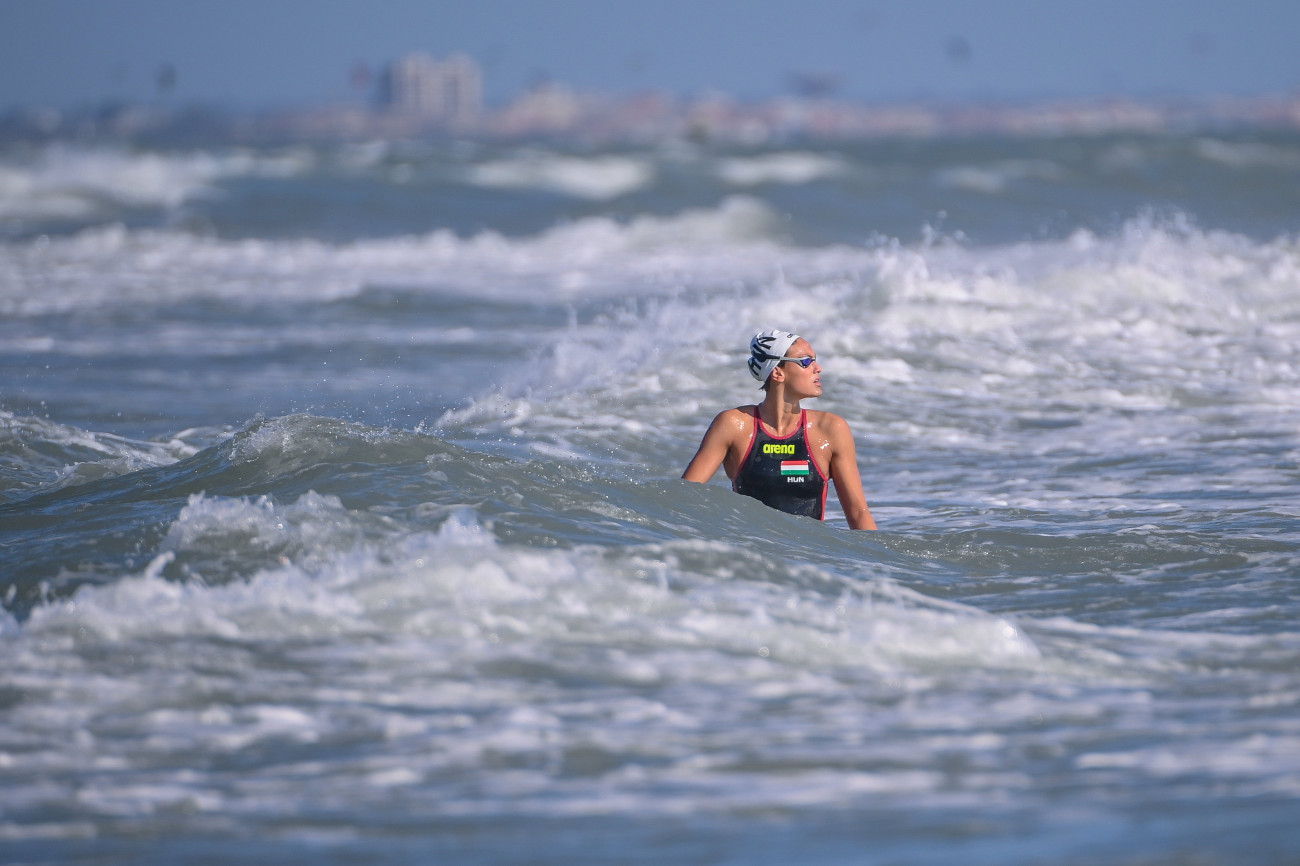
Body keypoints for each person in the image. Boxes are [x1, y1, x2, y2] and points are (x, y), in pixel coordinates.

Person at [682, 329, 877, 530]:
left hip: (809, 556)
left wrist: (878, 561)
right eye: (806, 361)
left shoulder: (830, 429)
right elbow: (684, 497)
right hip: (751, 553)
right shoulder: (734, 425)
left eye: (815, 360)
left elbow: (858, 513)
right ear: (777, 371)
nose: (818, 368)